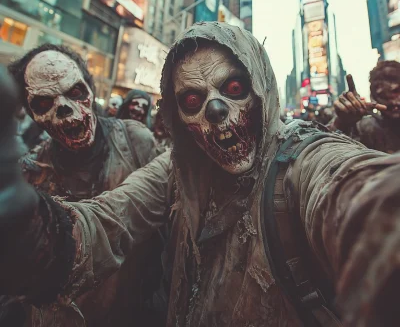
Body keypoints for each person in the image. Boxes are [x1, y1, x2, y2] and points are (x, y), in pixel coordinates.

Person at [1, 23, 400, 326]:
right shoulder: (179, 166)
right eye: (193, 99)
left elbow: (348, 184)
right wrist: (33, 229)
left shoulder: (301, 159)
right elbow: (109, 219)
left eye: (233, 86)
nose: (216, 111)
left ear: (260, 88)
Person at [4, 44, 163, 326]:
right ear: (31, 113)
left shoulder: (135, 140)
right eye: (44, 103)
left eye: (75, 93)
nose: (64, 108)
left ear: (90, 91)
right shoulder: (30, 173)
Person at [329, 62, 400, 153]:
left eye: (397, 91)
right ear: (374, 98)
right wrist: (342, 122)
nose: (395, 102)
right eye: (384, 96)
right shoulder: (364, 130)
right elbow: (328, 150)